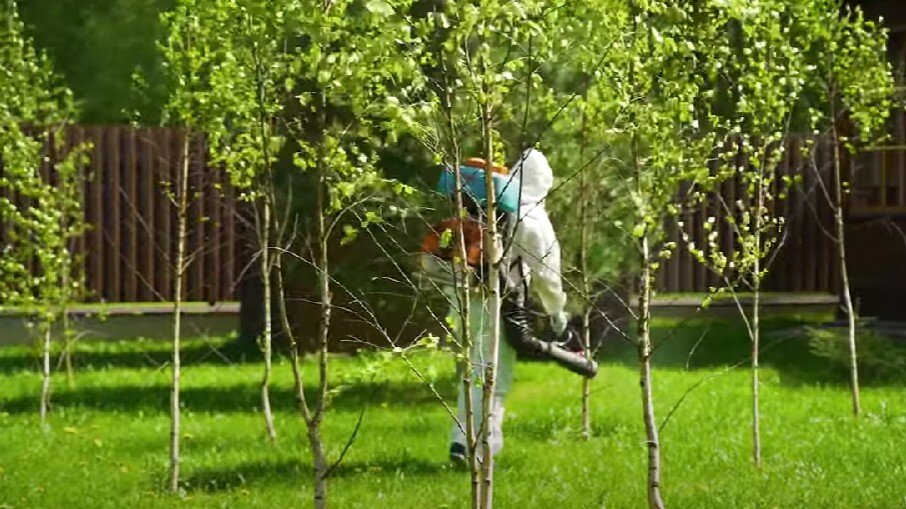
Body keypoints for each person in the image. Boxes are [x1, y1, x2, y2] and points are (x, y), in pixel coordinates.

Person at [447, 147, 593, 464]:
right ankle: (482, 451)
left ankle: (461, 441)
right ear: (543, 185)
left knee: (474, 370)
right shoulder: (533, 218)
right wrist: (557, 312)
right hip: (498, 300)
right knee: (494, 376)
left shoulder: (486, 201)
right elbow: (547, 274)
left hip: (463, 299)